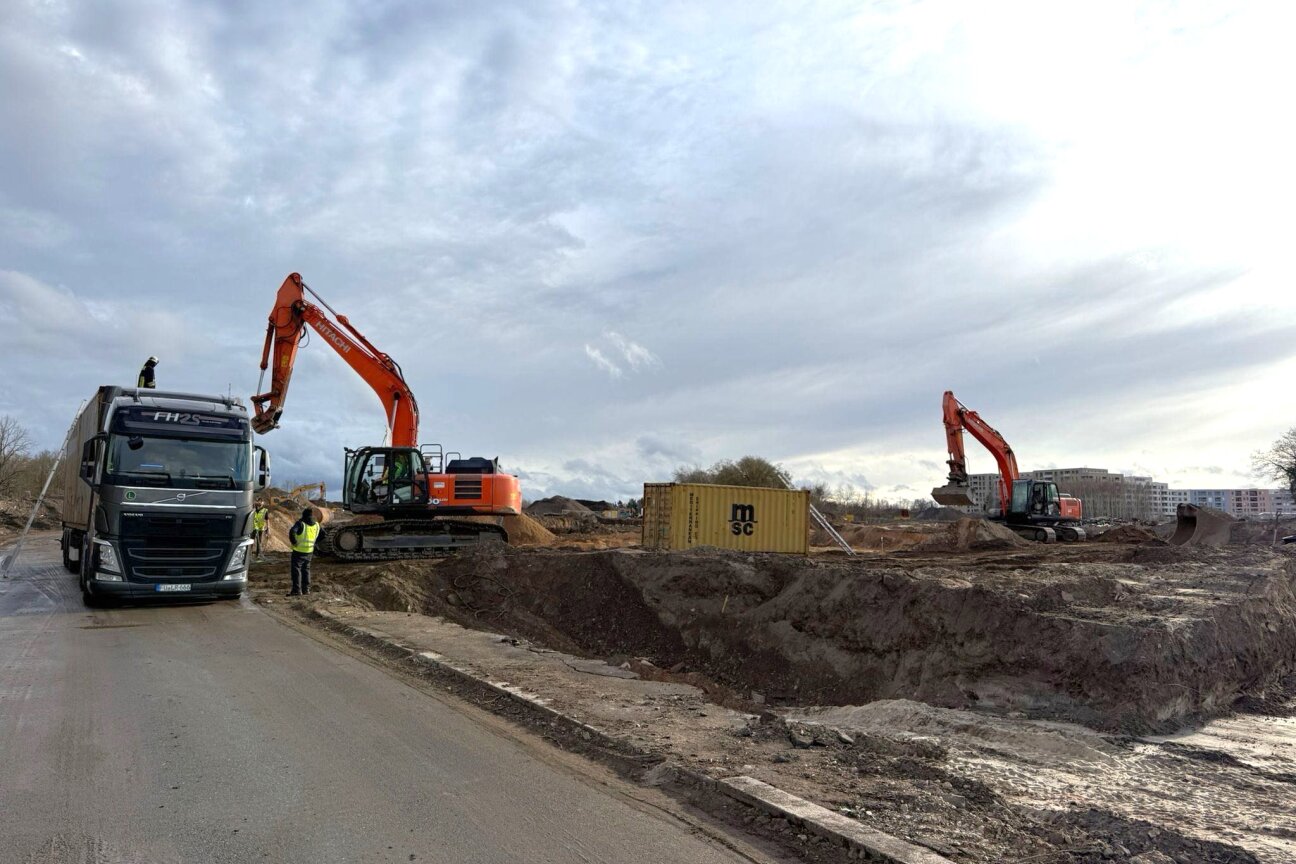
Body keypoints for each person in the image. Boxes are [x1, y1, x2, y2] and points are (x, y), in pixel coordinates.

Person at [287, 507, 319, 597]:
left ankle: (296, 590)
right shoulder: (316, 525)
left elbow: (292, 531)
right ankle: (306, 589)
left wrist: (294, 542)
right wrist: (314, 543)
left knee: (296, 570)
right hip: (309, 551)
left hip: (299, 551)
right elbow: (323, 534)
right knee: (306, 570)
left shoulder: (301, 524)